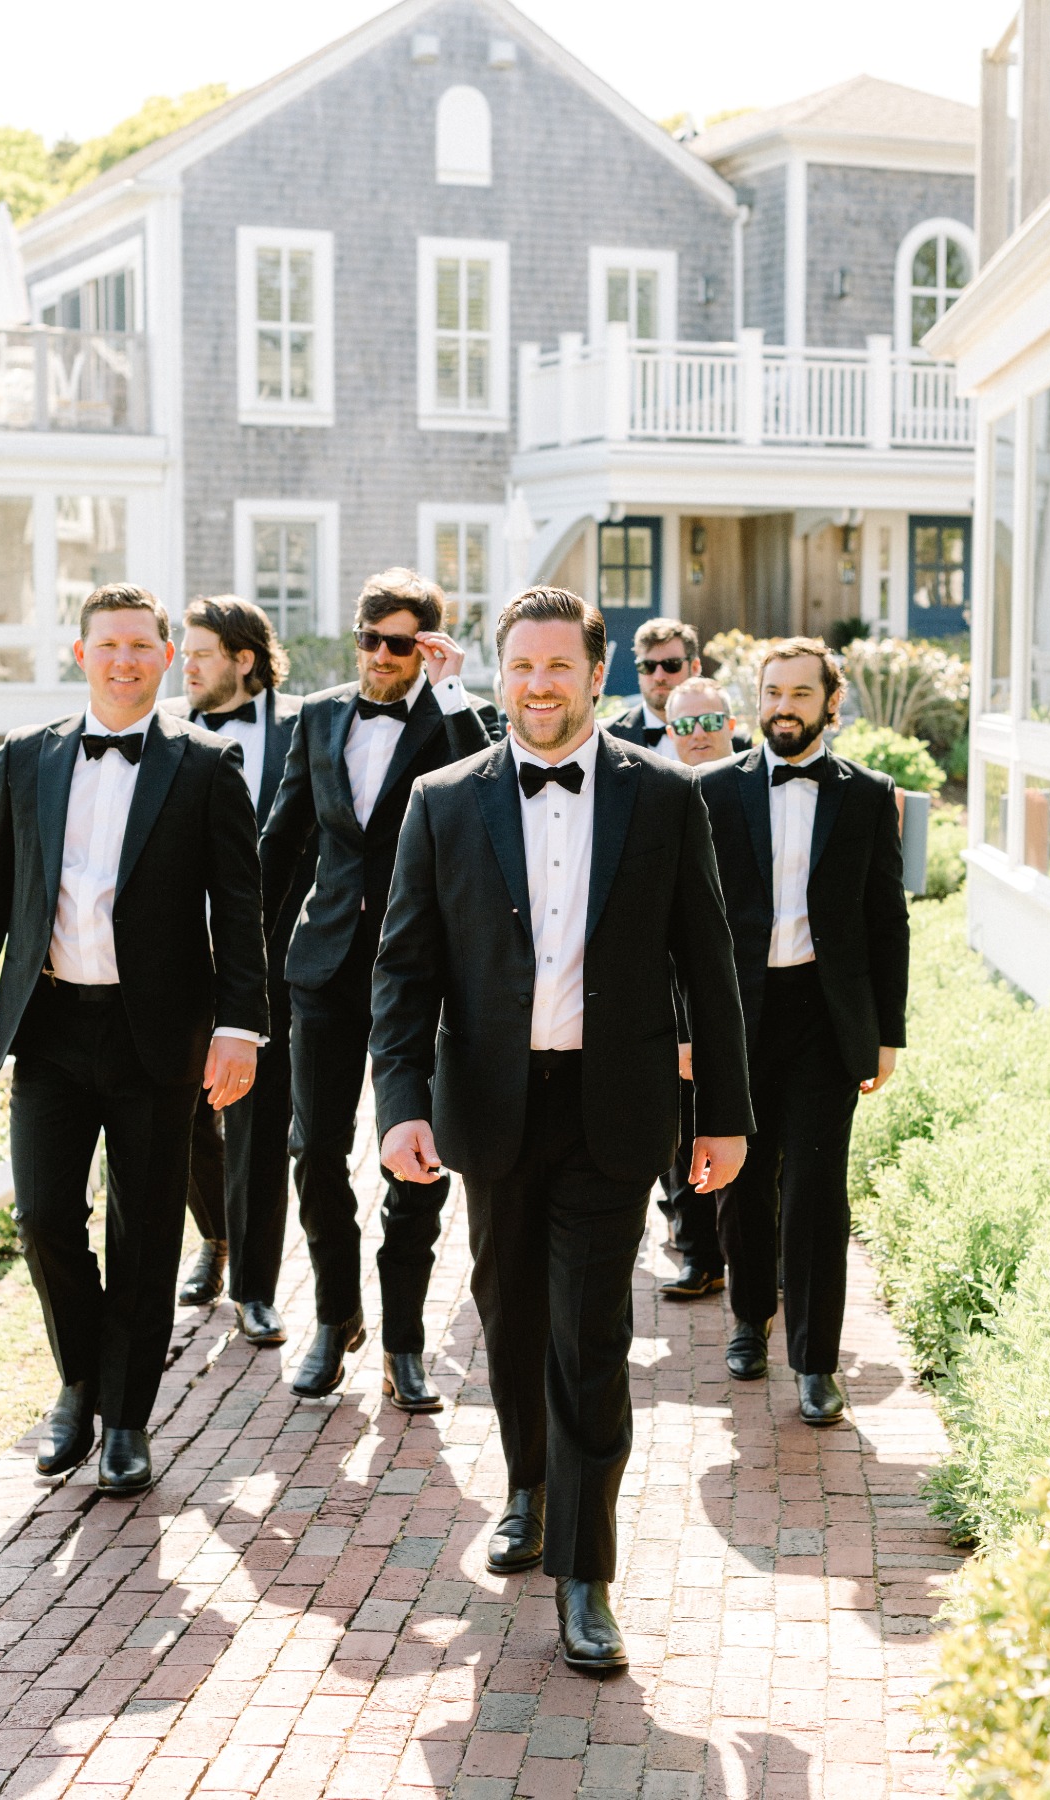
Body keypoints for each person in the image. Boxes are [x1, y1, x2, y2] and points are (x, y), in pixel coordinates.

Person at [370, 586, 752, 1673]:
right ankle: (528, 1486)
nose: (538, 686)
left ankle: (587, 1576)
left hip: (612, 1106)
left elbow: (707, 965)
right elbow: (404, 971)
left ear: (597, 676)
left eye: (558, 667)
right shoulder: (443, 801)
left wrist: (722, 1114)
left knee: (591, 1334)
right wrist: (400, 1106)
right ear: (504, 674)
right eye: (521, 667)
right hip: (487, 1107)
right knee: (508, 1315)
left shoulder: (664, 800)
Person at [0, 584, 267, 1496]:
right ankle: (79, 1378)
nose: (124, 660)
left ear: (167, 657)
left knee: (148, 1230)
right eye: (107, 645)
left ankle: (125, 1421)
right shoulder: (24, 757)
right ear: (81, 655)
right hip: (47, 1025)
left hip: (156, 1034)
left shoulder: (207, 765)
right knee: (45, 1216)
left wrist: (240, 1026)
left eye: (141, 646)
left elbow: (241, 909)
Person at [259, 568, 496, 1409]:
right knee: (313, 1147)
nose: (384, 657)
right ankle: (334, 1317)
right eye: (373, 640)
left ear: (426, 647)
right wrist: (241, 965)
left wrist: (452, 687)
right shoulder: (318, 717)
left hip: (424, 973)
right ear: (357, 636)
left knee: (416, 1161)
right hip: (321, 968)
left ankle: (404, 1340)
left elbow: (490, 792)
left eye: (403, 644)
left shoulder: (455, 721)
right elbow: (282, 839)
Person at [698, 637, 909, 1425]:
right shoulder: (711, 790)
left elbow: (888, 922)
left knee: (818, 1190)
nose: (783, 707)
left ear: (831, 702)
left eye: (799, 694)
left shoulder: (866, 794)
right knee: (743, 1178)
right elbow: (684, 925)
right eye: (773, 692)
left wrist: (887, 1032)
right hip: (738, 1014)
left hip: (826, 1017)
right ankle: (750, 1318)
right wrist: (688, 1029)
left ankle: (817, 1363)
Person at [168, 596, 314, 1348]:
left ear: (244, 659)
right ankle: (215, 1237)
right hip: (181, 960)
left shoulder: (305, 730)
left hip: (278, 965)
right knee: (188, 1115)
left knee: (259, 1127)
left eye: (198, 653)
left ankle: (256, 1291)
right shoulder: (161, 732)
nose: (183, 665)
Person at [656, 677, 741, 1300]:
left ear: (731, 723)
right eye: (684, 725)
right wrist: (683, 1030)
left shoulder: (750, 791)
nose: (698, 734)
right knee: (680, 1134)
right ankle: (698, 1254)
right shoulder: (655, 796)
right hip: (677, 1004)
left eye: (709, 721)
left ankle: (759, 1256)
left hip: (752, 994)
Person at [606, 617, 701, 757]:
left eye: (671, 664)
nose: (659, 676)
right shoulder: (607, 738)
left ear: (694, 668)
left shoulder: (733, 741)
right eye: (648, 666)